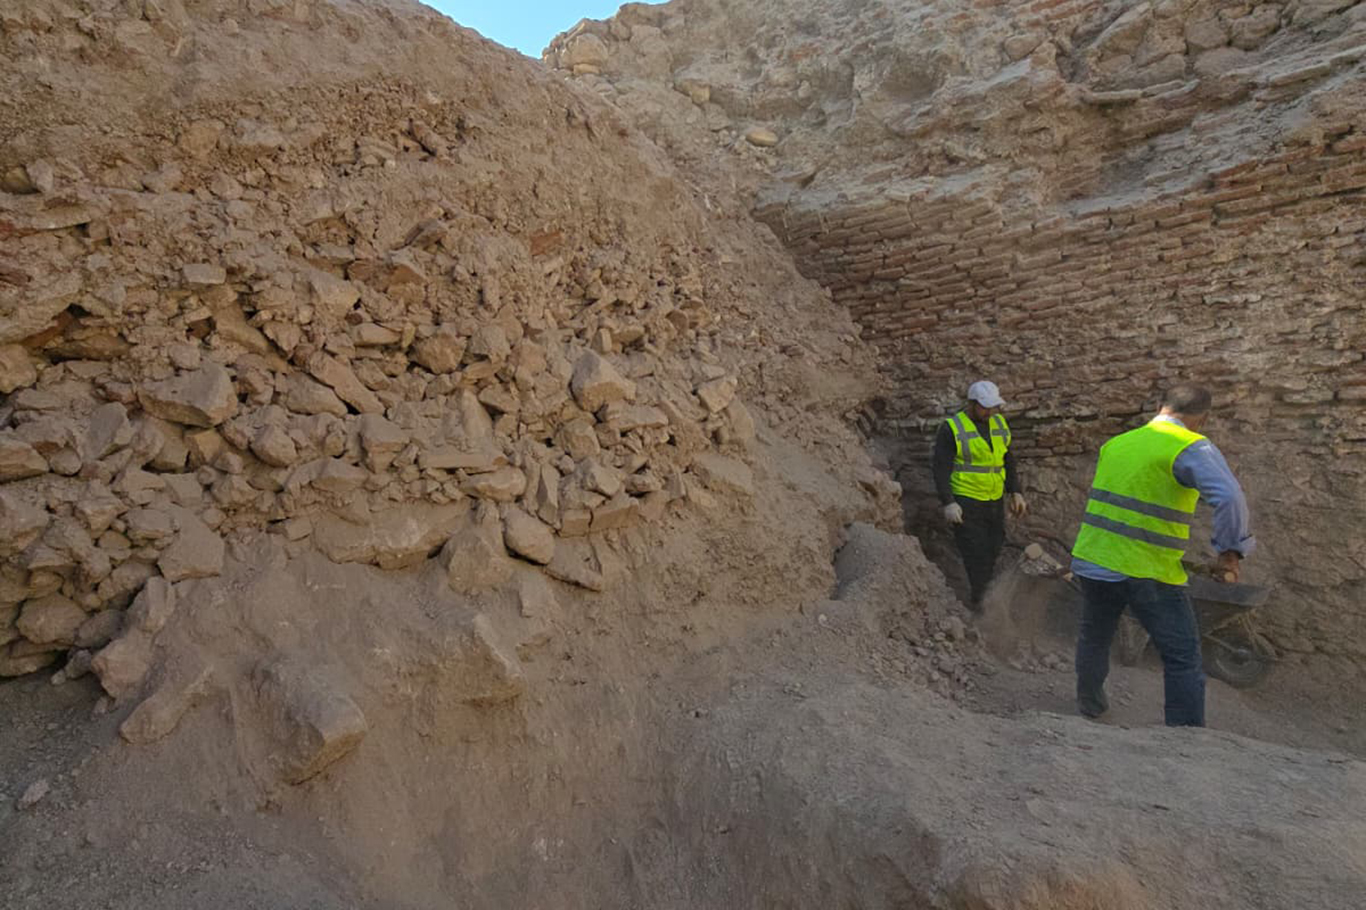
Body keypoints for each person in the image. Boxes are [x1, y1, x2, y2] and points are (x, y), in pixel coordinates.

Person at [1070, 383, 1255, 727]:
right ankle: (1183, 737)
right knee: (1182, 656)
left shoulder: (1117, 444)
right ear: (1201, 419)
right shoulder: (1189, 447)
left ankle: (1090, 708)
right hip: (1148, 572)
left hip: (1094, 560)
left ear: (1160, 407)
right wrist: (1230, 553)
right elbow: (1229, 499)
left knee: (1094, 637)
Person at [932, 380, 1027, 612]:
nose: (990, 411)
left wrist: (1015, 491)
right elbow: (940, 467)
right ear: (972, 404)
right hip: (966, 500)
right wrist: (949, 502)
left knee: (994, 545)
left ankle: (985, 594)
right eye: (985, 407)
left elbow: (1007, 459)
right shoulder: (952, 428)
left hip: (993, 499)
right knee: (975, 552)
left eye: (993, 407)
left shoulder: (998, 423)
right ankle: (981, 602)